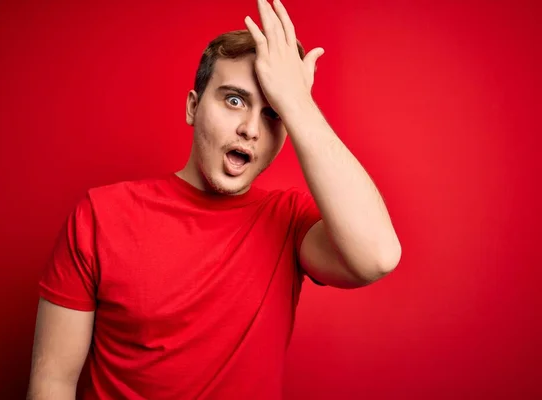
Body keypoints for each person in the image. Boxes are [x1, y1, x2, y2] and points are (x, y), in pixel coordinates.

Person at [27, 0, 402, 399]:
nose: (250, 129)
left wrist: (298, 104)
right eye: (234, 100)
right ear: (193, 107)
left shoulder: (289, 222)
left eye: (273, 113)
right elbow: (53, 379)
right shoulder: (100, 215)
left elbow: (377, 256)